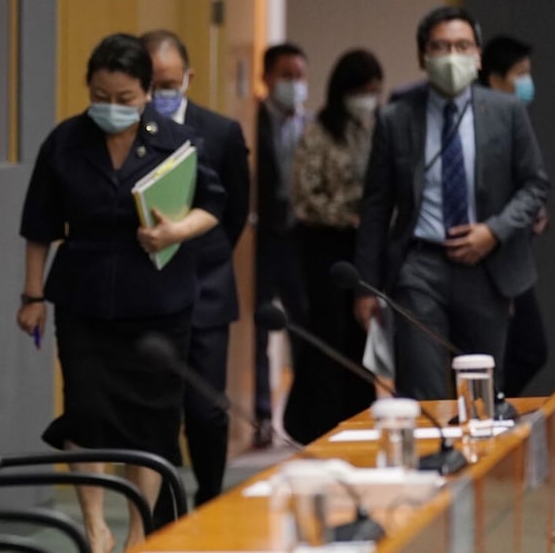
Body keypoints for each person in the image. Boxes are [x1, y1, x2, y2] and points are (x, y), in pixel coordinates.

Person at [16, 33, 225, 552]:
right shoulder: (64, 141)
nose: (111, 107)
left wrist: (176, 230)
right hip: (84, 300)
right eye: (101, 96)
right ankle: (94, 526)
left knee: (152, 419)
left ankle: (139, 529)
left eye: (124, 98)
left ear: (147, 92)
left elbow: (213, 204)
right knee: (85, 409)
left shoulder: (175, 142)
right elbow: (39, 226)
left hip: (159, 302)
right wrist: (31, 296)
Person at [355, 6, 549, 400]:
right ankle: (428, 460)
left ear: (477, 56)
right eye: (440, 47)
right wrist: (365, 286)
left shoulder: (506, 111)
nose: (451, 56)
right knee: (422, 389)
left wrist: (494, 231)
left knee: (481, 393)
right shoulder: (396, 117)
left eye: (461, 46)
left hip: (486, 267)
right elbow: (376, 206)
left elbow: (534, 185)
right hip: (419, 266)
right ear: (423, 57)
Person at [140, 29, 250, 509]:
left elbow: (234, 209)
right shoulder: (128, 131)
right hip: (148, 289)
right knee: (156, 409)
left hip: (206, 286)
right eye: (153, 83)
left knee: (206, 410)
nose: (162, 93)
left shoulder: (222, 132)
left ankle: (209, 498)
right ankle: (165, 513)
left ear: (188, 78)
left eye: (170, 83)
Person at [286, 49, 383, 443]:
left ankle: (359, 415)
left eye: (375, 90)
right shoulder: (319, 131)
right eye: (363, 90)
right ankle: (319, 422)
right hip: (325, 245)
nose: (369, 97)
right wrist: (347, 214)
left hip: (363, 246)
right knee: (329, 332)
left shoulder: (376, 127)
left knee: (361, 334)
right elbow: (303, 197)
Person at [480, 34, 549, 396]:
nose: (527, 82)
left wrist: (536, 211)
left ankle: (494, 409)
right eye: (519, 73)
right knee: (510, 351)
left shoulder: (516, 120)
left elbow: (531, 183)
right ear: (494, 79)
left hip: (515, 255)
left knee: (525, 350)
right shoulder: (485, 124)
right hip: (490, 255)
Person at [254, 43, 311, 445]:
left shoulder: (310, 126)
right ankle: (260, 415)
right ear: (267, 78)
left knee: (303, 329)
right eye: (286, 75)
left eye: (299, 76)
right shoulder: (252, 122)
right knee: (258, 330)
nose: (293, 84)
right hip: (261, 240)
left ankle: (302, 413)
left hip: (300, 242)